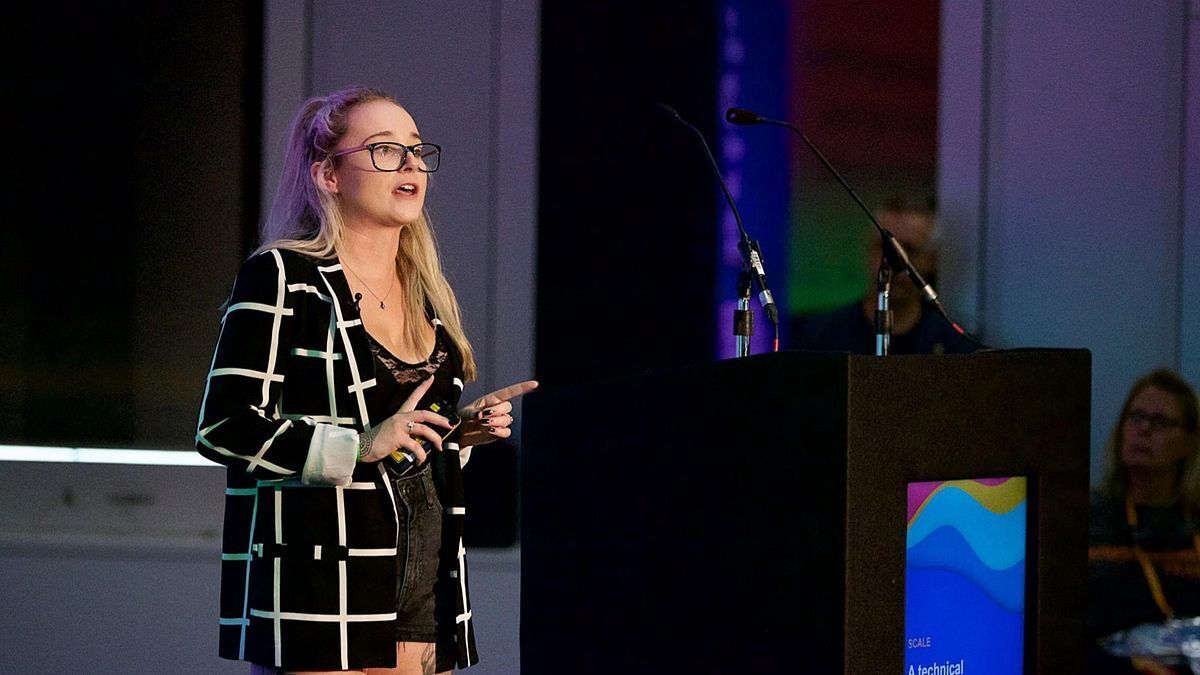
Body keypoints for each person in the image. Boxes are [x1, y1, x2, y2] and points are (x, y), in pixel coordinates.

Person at [196, 85, 537, 674]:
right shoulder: (283, 276)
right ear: (328, 174)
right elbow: (224, 427)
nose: (411, 164)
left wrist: (453, 437)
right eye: (384, 150)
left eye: (415, 149)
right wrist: (357, 445)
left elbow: (397, 454)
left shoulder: (430, 298)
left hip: (424, 589)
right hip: (324, 585)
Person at [1088, 369, 1200, 673]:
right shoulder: (1088, 518)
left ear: (1190, 441)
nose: (1144, 430)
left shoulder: (1194, 522)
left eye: (1161, 422)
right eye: (1135, 417)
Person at [789, 196, 975, 355]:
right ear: (868, 250)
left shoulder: (954, 350)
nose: (895, 263)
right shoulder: (817, 339)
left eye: (909, 250)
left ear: (931, 260)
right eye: (885, 248)